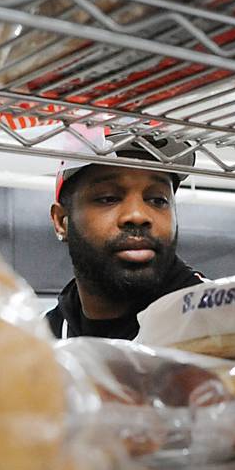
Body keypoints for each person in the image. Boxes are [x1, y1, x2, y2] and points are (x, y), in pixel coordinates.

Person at [44, 142, 205, 340]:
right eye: (108, 198)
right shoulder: (41, 341)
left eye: (157, 199)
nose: (137, 215)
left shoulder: (219, 318)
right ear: (61, 221)